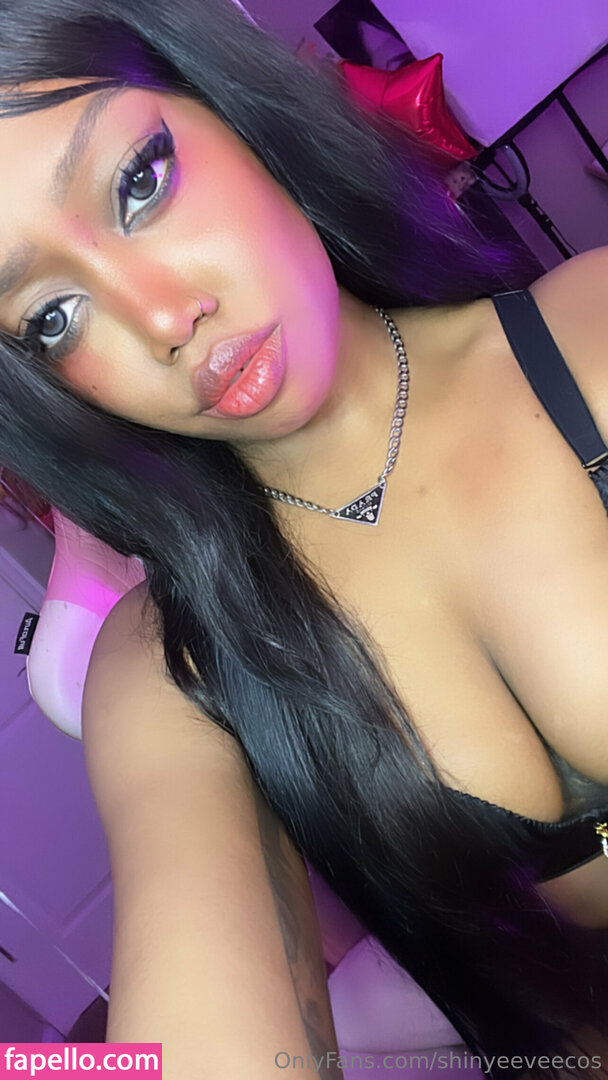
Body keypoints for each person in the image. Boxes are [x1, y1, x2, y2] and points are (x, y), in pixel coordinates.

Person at [0, 1, 606, 1076]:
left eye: (139, 182)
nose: (162, 318)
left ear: (225, 104)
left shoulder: (591, 337)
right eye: (53, 318)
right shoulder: (171, 672)